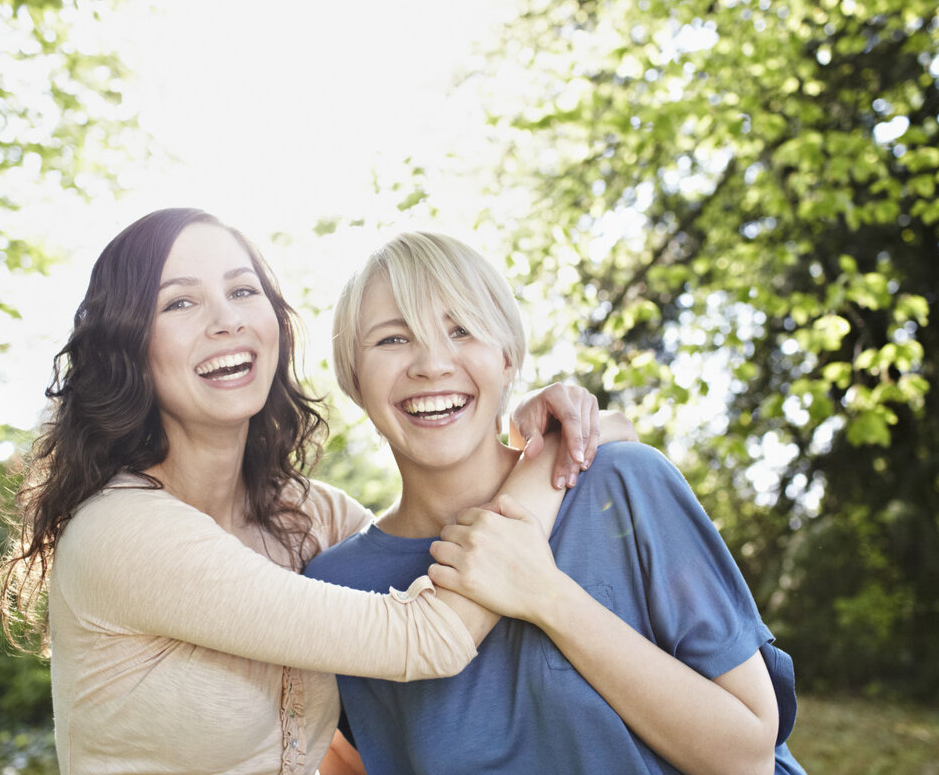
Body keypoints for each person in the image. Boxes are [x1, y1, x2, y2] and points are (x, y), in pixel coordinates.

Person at [0, 208, 626, 775]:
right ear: (128, 345)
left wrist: (562, 421)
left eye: (243, 291)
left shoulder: (309, 517)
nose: (226, 321)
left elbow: (430, 528)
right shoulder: (120, 534)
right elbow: (423, 637)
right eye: (179, 303)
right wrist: (548, 462)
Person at [305, 231, 807, 774]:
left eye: (461, 330)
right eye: (392, 340)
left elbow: (748, 757)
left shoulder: (625, 485)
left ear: (508, 358)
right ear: (353, 377)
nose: (432, 363)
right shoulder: (336, 587)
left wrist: (546, 595)